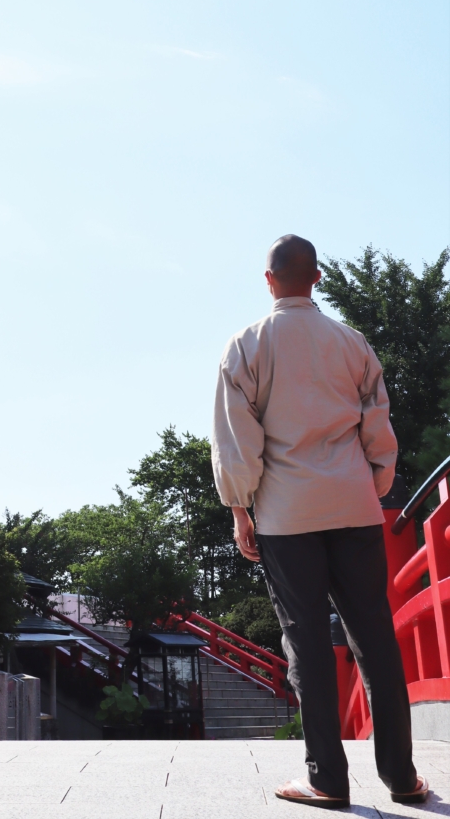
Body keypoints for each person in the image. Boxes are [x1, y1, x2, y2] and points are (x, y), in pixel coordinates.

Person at [212, 235, 428, 809]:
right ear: (319, 277)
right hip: (354, 505)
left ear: (269, 279)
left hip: (287, 514)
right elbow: (377, 425)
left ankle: (326, 779)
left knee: (305, 641)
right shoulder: (351, 343)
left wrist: (241, 509)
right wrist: (376, 482)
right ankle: (402, 777)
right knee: (376, 639)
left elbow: (238, 440)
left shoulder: (247, 345)